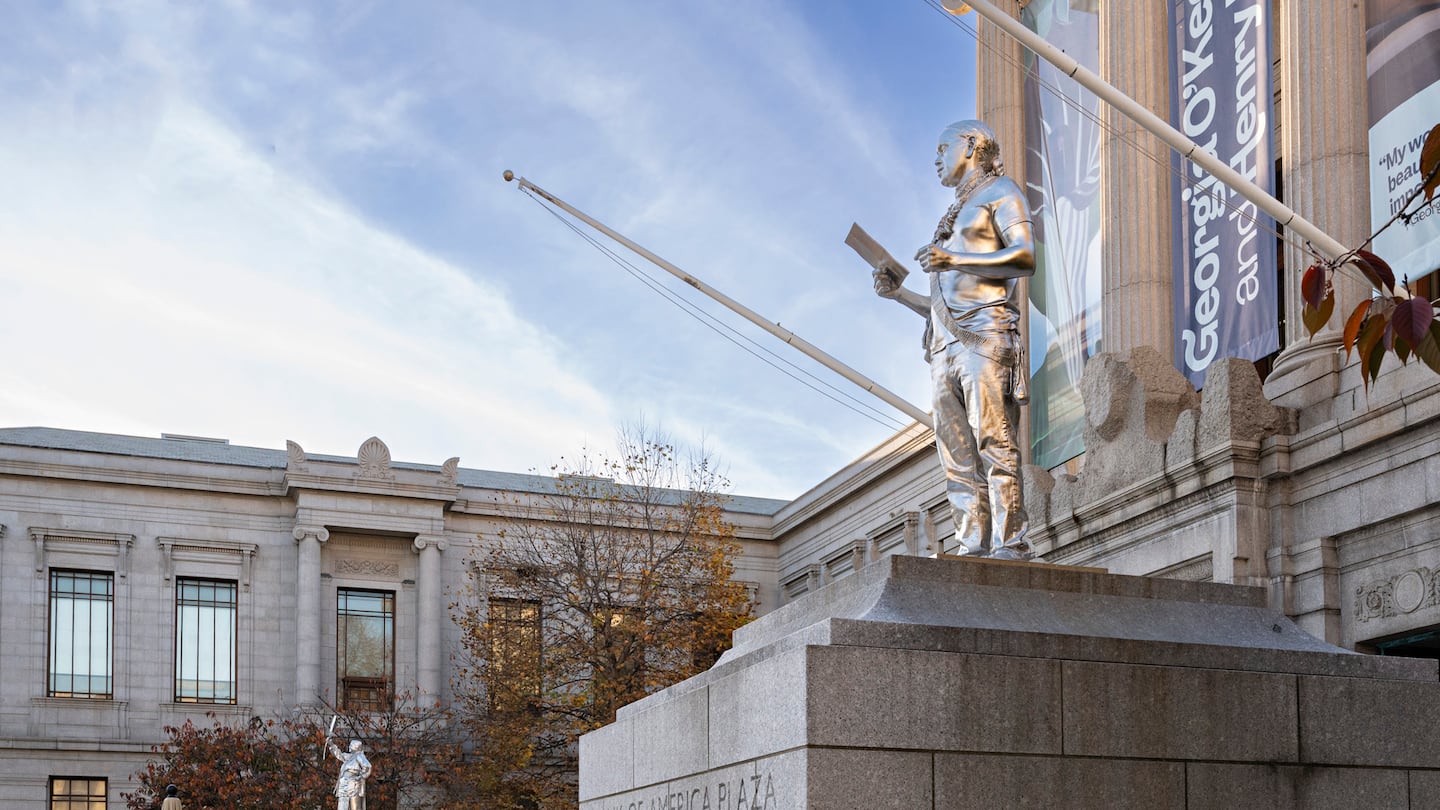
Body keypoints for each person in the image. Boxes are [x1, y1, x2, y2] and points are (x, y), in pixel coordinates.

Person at [873, 119, 1035, 560]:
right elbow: (941, 304)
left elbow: (1025, 258)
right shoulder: (952, 214)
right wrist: (899, 294)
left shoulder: (1002, 192)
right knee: (956, 458)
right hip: (944, 350)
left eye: (942, 148)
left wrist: (952, 257)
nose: (936, 160)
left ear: (970, 145)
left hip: (985, 337)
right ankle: (971, 543)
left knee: (995, 444)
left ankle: (1010, 541)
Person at [328, 738, 373, 810]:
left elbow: (367, 767)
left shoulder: (359, 756)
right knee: (342, 806)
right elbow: (339, 755)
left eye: (351, 745)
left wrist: (360, 777)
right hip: (344, 783)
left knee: (354, 806)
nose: (349, 747)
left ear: (355, 747)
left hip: (352, 784)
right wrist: (332, 745)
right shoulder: (349, 757)